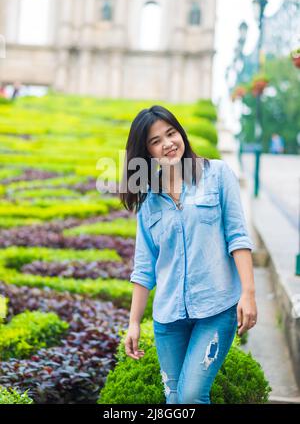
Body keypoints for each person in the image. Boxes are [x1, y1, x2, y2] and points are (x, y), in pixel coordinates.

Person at [120, 105, 257, 404]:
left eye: (171, 133)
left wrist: (248, 293)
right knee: (174, 399)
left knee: (192, 396)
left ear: (181, 133)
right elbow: (144, 267)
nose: (167, 143)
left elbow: (237, 237)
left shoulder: (217, 174)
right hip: (168, 319)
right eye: (156, 141)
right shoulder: (149, 200)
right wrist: (133, 323)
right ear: (147, 152)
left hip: (216, 309)